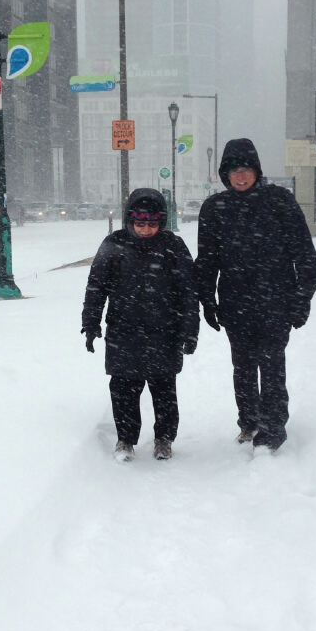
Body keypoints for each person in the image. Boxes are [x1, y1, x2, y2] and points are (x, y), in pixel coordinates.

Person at [196, 138, 316, 452]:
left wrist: (301, 298)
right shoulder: (215, 208)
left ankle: (273, 428)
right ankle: (249, 421)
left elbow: (305, 256)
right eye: (234, 170)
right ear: (225, 174)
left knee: (272, 365)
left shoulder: (279, 201)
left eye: (247, 169)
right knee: (243, 367)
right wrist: (207, 300)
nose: (241, 176)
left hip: (275, 302)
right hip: (236, 304)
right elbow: (207, 259)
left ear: (257, 171)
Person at [82, 188, 199, 462]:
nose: (146, 230)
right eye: (140, 223)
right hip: (124, 332)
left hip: (164, 333)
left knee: (163, 391)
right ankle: (126, 438)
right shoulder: (114, 244)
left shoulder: (173, 247)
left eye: (152, 224)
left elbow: (188, 294)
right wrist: (91, 323)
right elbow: (96, 288)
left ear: (161, 222)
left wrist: (189, 332)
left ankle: (164, 438)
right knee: (123, 390)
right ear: (130, 221)